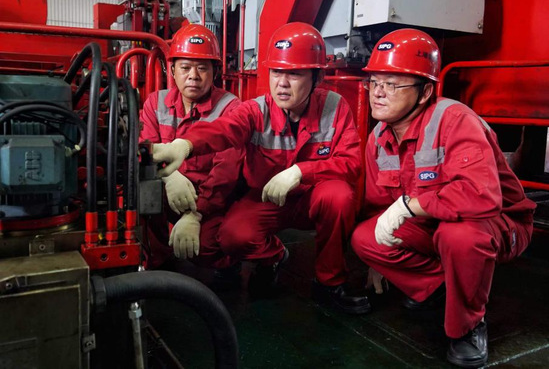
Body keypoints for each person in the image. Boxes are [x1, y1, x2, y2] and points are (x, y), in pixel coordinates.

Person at [152, 22, 371, 314]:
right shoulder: (256, 110)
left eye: (294, 74)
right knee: (233, 236)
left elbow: (351, 162)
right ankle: (273, 257)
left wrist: (300, 172)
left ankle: (329, 283)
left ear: (317, 77)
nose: (282, 83)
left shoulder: (335, 107)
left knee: (339, 196)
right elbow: (224, 129)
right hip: (265, 199)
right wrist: (185, 145)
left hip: (312, 197)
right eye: (276, 72)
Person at [350, 29, 536, 368]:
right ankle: (444, 287)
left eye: (392, 84)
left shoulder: (455, 120)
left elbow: (481, 197)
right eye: (374, 82)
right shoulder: (378, 138)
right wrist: (377, 263)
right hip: (432, 226)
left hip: (496, 224)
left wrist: (411, 205)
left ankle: (468, 325)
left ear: (424, 92)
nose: (378, 92)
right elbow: (378, 206)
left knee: (459, 236)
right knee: (366, 237)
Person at [139, 23, 244, 271]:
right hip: (167, 189)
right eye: (185, 68)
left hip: (209, 199)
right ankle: (158, 260)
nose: (193, 76)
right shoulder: (156, 102)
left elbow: (226, 172)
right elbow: (146, 150)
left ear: (215, 72)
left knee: (205, 247)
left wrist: (196, 214)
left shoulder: (230, 108)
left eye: (202, 68)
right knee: (141, 192)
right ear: (172, 70)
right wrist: (169, 176)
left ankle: (227, 265)